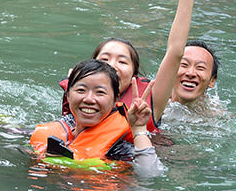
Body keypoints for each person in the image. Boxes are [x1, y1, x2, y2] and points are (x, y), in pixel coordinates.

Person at [62, 0, 217, 134]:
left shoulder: (149, 104)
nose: (112, 66)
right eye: (105, 60)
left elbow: (175, 52)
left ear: (134, 75)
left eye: (122, 61)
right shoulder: (79, 97)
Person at [30, 59, 160, 170]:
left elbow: (150, 174)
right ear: (68, 95)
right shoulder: (65, 123)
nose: (89, 99)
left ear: (115, 100)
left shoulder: (118, 149)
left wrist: (139, 129)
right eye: (81, 90)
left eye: (100, 92)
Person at [171, 40, 219, 107]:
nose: (191, 73)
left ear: (212, 80)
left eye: (200, 67)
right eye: (184, 64)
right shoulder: (152, 101)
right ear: (169, 71)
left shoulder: (216, 115)